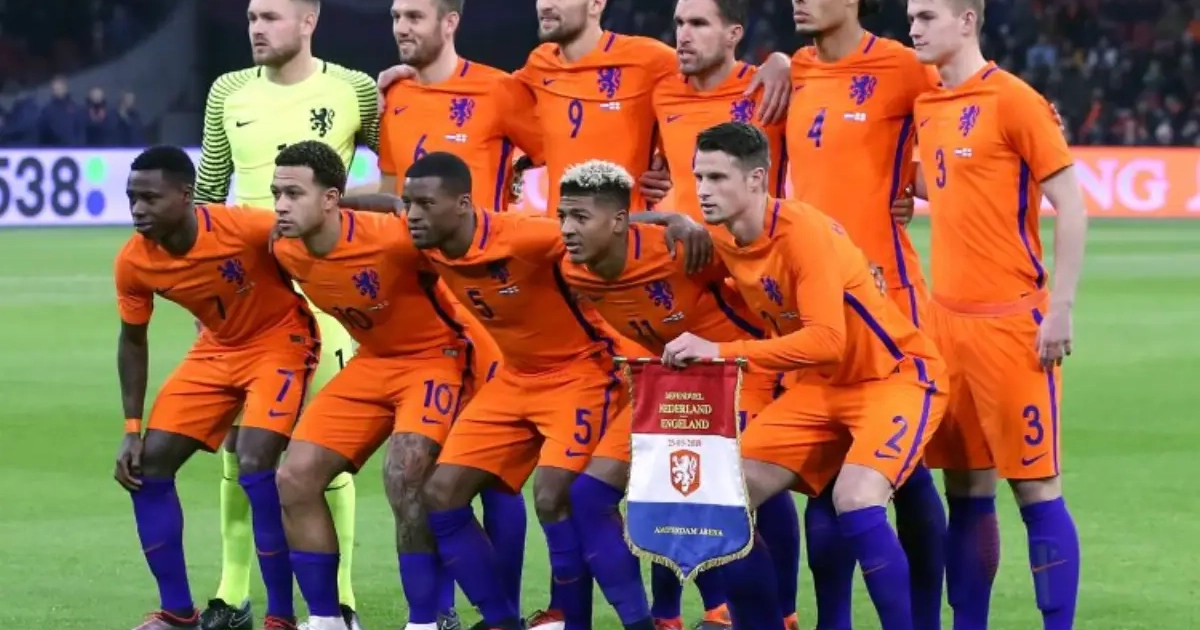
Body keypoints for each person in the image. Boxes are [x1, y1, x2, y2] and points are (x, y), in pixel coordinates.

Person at [662, 122, 946, 630]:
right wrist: (671, 219)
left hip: (893, 377)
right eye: (699, 176)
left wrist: (719, 352)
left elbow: (826, 340)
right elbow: (630, 233)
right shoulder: (720, 236)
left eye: (717, 178)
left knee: (856, 499)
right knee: (719, 496)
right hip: (818, 389)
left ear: (756, 179)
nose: (703, 189)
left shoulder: (802, 233)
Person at [192, 0, 379, 626]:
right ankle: (232, 593)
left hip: (326, 295)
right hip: (243, 300)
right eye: (252, 17)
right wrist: (203, 295)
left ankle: (341, 600)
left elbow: (403, 170)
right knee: (237, 447)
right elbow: (207, 196)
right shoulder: (228, 92)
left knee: (326, 446)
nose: (256, 27)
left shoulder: (355, 90)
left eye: (271, 16)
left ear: (308, 21)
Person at [908, 1, 1088, 629]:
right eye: (911, 17)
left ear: (967, 21)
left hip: (1013, 328)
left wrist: (1061, 308)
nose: (913, 28)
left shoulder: (1015, 100)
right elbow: (950, 179)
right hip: (946, 325)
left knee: (1035, 490)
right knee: (966, 491)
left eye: (927, 16)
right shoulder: (928, 103)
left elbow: (1072, 205)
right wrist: (905, 191)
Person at [558, 158, 786, 630]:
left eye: (579, 217)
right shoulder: (572, 264)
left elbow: (765, 262)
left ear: (617, 221)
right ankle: (646, 622)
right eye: (563, 216)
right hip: (670, 384)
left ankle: (768, 618)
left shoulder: (680, 249)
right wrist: (665, 213)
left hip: (739, 375)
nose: (566, 229)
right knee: (589, 494)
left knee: (724, 502)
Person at [377, 2, 544, 616]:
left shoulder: (498, 90)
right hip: (420, 313)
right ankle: (437, 615)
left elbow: (555, 153)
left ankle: (503, 614)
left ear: (450, 22)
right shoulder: (393, 96)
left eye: (416, 15)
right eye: (397, 15)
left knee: (493, 470)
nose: (402, 27)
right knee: (419, 466)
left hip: (488, 310)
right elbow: (393, 199)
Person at [786, 0, 948, 627]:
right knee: (828, 473)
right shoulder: (795, 69)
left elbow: (959, 140)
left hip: (889, 301)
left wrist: (909, 183)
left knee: (904, 473)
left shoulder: (903, 66)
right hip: (817, 302)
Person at [113, 146, 320, 630]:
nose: (138, 209)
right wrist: (131, 428)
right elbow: (132, 341)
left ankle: (281, 616)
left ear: (186, 196)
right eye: (131, 198)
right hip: (217, 350)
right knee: (148, 466)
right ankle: (177, 613)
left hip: (279, 342)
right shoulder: (134, 262)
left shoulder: (242, 227)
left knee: (254, 462)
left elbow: (313, 226)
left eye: (150, 198)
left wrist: (383, 207)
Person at [268, 141, 469, 630]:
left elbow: (466, 254)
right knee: (294, 478)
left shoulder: (395, 239)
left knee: (406, 476)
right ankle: (327, 619)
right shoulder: (283, 248)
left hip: (434, 359)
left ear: (331, 199)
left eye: (293, 194)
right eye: (276, 194)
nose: (280, 206)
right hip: (373, 362)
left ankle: (425, 622)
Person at [647, 1, 798, 626]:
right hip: (677, 301)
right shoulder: (661, 92)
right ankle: (686, 611)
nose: (683, 35)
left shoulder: (767, 87)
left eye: (699, 24)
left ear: (734, 34)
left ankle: (779, 613)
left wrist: (784, 59)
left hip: (748, 305)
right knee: (674, 458)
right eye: (679, 23)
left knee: (746, 467)